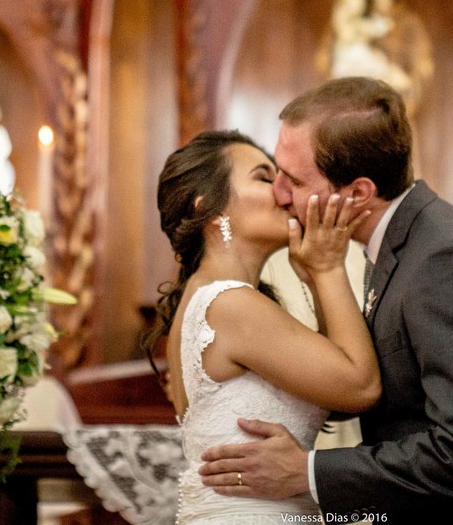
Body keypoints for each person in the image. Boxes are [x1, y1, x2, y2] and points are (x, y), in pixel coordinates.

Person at [198, 77, 453, 524]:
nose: (279, 194)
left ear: (357, 193)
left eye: (293, 179)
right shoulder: (404, 244)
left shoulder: (447, 261)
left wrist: (307, 473)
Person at [144, 130, 379, 524]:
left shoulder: (211, 300)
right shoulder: (229, 304)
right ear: (210, 209)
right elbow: (361, 386)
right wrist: (328, 267)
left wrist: (315, 279)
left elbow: (334, 391)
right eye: (265, 177)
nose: (285, 191)